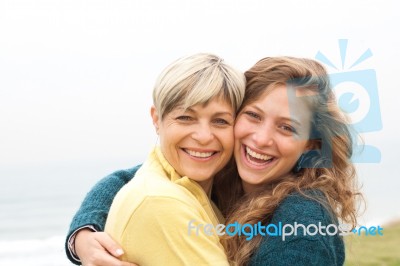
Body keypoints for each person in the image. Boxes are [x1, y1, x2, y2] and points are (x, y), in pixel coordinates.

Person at [66, 56, 361, 266]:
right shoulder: (223, 177)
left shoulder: (301, 219)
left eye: (287, 127)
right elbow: (129, 180)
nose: (260, 139)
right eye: (253, 116)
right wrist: (83, 235)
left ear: (311, 144)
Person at [65, 52, 246, 266]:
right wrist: (83, 232)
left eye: (221, 121)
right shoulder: (161, 202)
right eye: (185, 118)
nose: (204, 136)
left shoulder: (199, 186)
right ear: (156, 119)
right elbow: (140, 191)